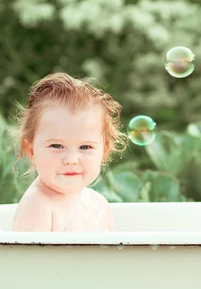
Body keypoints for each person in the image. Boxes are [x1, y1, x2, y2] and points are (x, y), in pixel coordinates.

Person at [10, 72, 127, 232]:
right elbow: (24, 257)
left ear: (104, 152)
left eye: (85, 147)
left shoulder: (99, 204)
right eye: (57, 146)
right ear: (31, 151)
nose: (71, 159)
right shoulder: (39, 206)